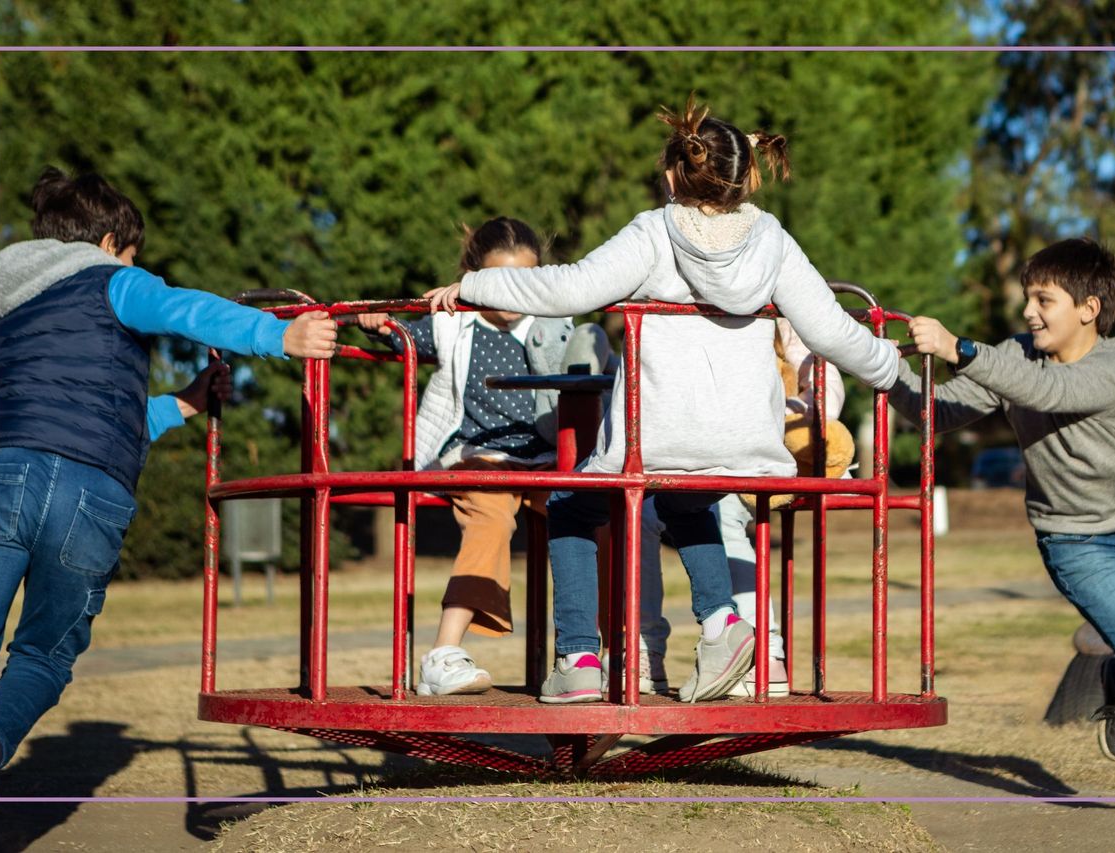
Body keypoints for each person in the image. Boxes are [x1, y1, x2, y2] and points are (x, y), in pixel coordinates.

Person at [425, 95, 899, 704]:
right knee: (688, 500)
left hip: (656, 435)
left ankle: (578, 659)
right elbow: (831, 330)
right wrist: (892, 372)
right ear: (745, 177)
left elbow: (570, 288)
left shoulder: (654, 231)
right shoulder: (772, 241)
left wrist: (474, 285)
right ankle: (725, 625)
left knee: (572, 505)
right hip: (745, 439)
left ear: (673, 175)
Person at [0, 166, 338, 851]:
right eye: (132, 256)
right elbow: (187, 308)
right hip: (88, 492)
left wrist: (187, 401)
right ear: (109, 242)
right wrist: (278, 336)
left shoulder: (1, 304)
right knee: (42, 652)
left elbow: (76, 405)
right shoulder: (110, 277)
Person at [891, 237, 1115, 809]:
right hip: (1078, 545)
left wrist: (959, 346)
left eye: (1043, 299)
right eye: (1028, 297)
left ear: (1088, 310)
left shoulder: (1114, 363)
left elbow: (1050, 391)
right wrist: (875, 367)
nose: (1029, 311)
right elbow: (939, 412)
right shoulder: (1015, 355)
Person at [358, 218, 609, 697]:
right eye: (499, 285)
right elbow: (406, 336)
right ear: (472, 277)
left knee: (591, 515)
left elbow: (588, 365)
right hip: (477, 457)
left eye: (526, 283)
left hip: (542, 460)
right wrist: (379, 322)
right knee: (492, 519)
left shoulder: (553, 324)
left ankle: (608, 644)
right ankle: (443, 652)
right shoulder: (454, 323)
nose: (512, 298)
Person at [634, 323, 850, 697]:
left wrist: (791, 409)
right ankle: (643, 650)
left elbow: (821, 377)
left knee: (725, 514)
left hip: (754, 448)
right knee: (639, 513)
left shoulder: (778, 317)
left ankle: (763, 652)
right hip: (690, 445)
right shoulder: (683, 314)